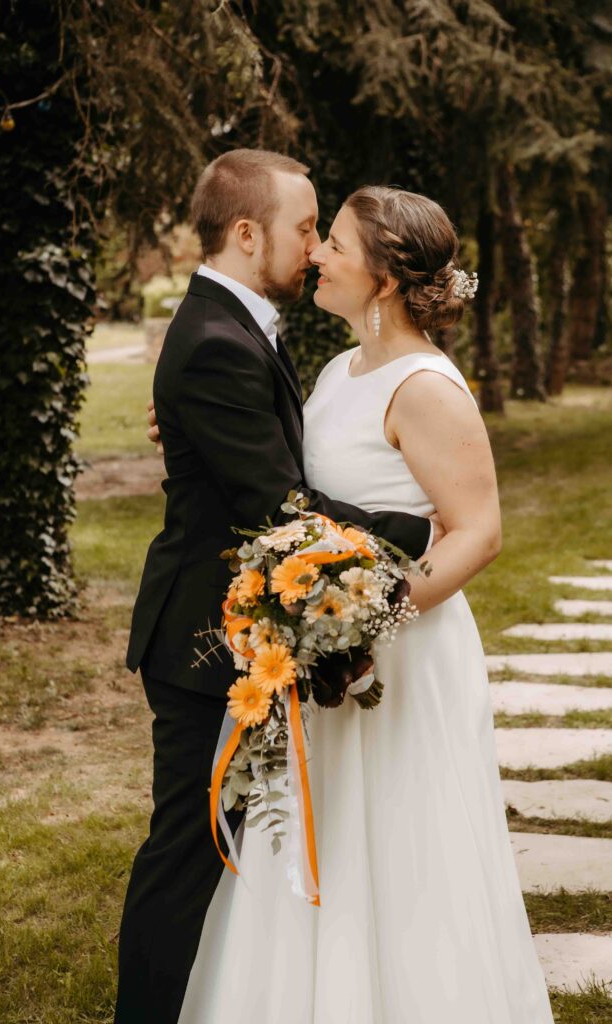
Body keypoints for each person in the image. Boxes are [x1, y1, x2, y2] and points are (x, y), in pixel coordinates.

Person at [177, 187, 555, 1022]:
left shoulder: (425, 386)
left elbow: (477, 532)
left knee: (401, 845)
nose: (314, 254)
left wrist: (368, 618)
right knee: (330, 838)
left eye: (335, 243)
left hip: (400, 651)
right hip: (329, 654)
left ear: (382, 278)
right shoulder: (337, 369)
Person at [115, 152, 439, 1024]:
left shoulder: (236, 324)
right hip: (204, 642)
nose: (314, 248)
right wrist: (419, 528)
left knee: (208, 849)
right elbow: (281, 507)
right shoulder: (218, 338)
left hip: (230, 627)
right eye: (304, 229)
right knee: (186, 852)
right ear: (246, 232)